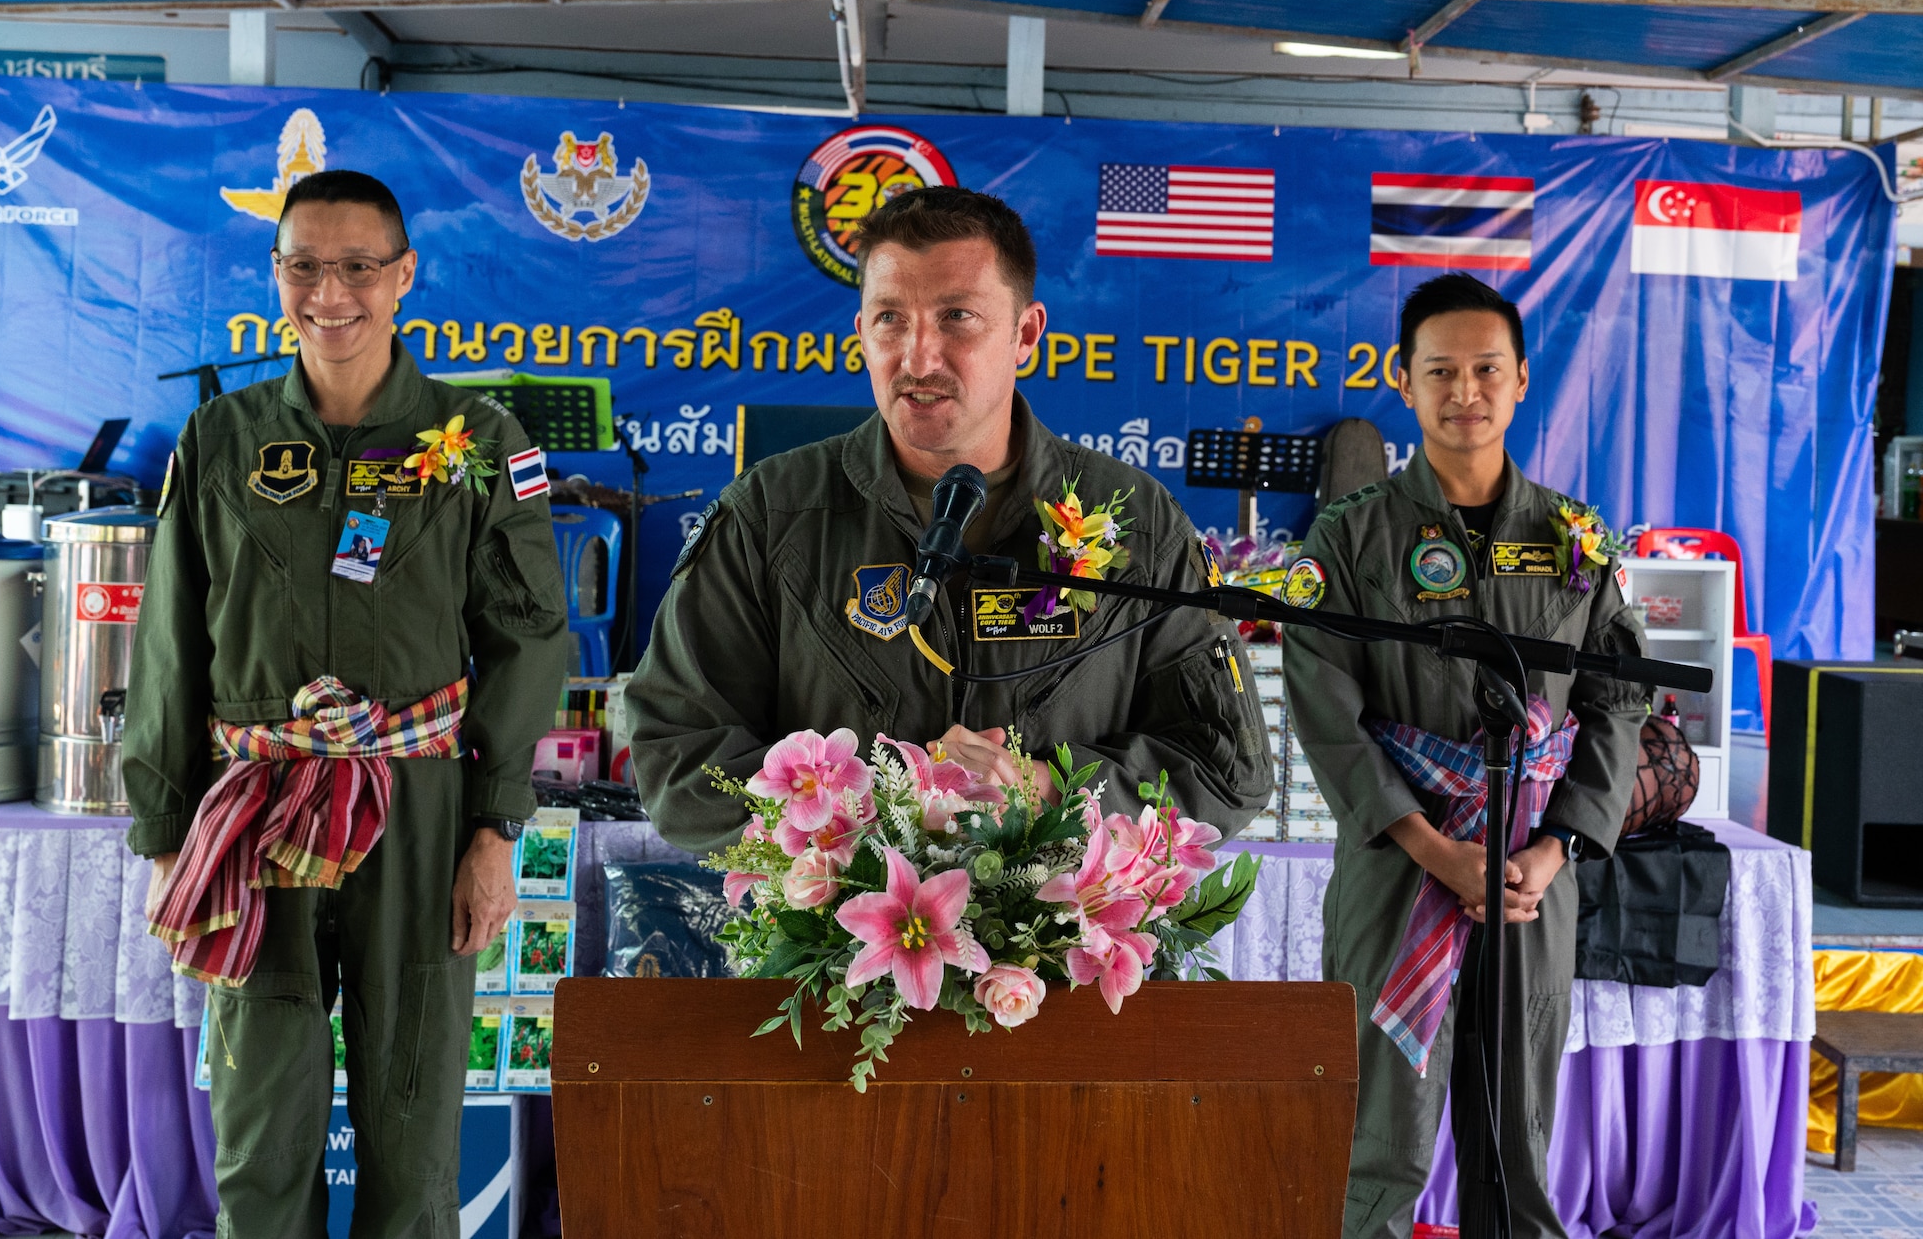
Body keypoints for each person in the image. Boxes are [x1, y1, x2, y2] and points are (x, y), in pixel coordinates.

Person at [123, 170, 570, 1239]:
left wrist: (493, 827)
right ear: (274, 275)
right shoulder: (221, 440)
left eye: (357, 266)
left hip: (416, 807)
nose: (331, 292)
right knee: (259, 1121)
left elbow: (528, 636)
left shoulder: (476, 438)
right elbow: (172, 638)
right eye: (303, 265)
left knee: (411, 1118)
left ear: (403, 275)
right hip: (255, 809)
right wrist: (162, 822)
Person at [629, 186, 1273, 851]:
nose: (917, 358)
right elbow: (678, 759)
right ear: (861, 334)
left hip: (1065, 945)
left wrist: (1052, 793)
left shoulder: (1138, 524)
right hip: (844, 945)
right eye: (889, 320)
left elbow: (1228, 770)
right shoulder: (770, 517)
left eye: (956, 317)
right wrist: (874, 817)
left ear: (1025, 335)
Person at [1282, 273, 1649, 1239]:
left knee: (1516, 1135)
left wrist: (1554, 849)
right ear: (1402, 382)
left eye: (1487, 369)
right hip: (1400, 871)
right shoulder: (1351, 535)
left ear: (1522, 380)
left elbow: (1617, 699)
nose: (1465, 391)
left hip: (1531, 878)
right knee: (1377, 1140)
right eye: (1439, 370)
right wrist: (1438, 850)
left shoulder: (1574, 539)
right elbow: (1326, 711)